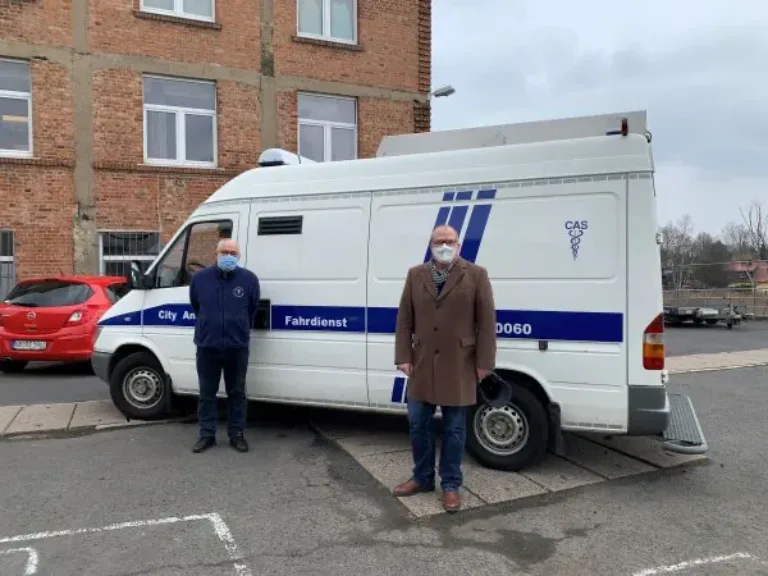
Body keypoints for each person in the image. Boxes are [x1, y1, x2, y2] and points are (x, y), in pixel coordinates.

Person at [393, 224, 497, 513]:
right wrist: (403, 356)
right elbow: (404, 319)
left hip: (460, 363)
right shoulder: (415, 274)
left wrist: (485, 363)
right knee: (418, 423)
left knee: (454, 429)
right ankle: (422, 477)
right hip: (422, 363)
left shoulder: (476, 275)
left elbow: (487, 322)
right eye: (439, 241)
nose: (445, 246)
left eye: (450, 241)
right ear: (431, 245)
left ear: (459, 245)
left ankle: (450, 484)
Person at [189, 238, 260, 454]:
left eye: (233, 253)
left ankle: (236, 434)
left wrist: (236, 327)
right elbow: (196, 306)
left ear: (238, 256)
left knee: (237, 393)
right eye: (224, 252)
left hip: (236, 346)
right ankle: (206, 435)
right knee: (207, 393)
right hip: (207, 345)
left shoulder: (249, 279)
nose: (228, 256)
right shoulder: (200, 279)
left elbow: (252, 308)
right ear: (216, 254)